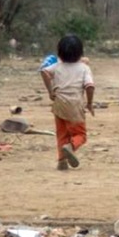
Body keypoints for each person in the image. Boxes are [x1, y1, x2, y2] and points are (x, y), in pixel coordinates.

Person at [40, 35, 95, 171]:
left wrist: (50, 91)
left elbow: (44, 72)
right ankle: (71, 147)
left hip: (59, 103)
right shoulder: (84, 68)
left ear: (60, 53)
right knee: (80, 135)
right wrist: (89, 103)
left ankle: (62, 161)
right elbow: (90, 86)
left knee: (62, 134)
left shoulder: (57, 66)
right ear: (80, 52)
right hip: (75, 104)